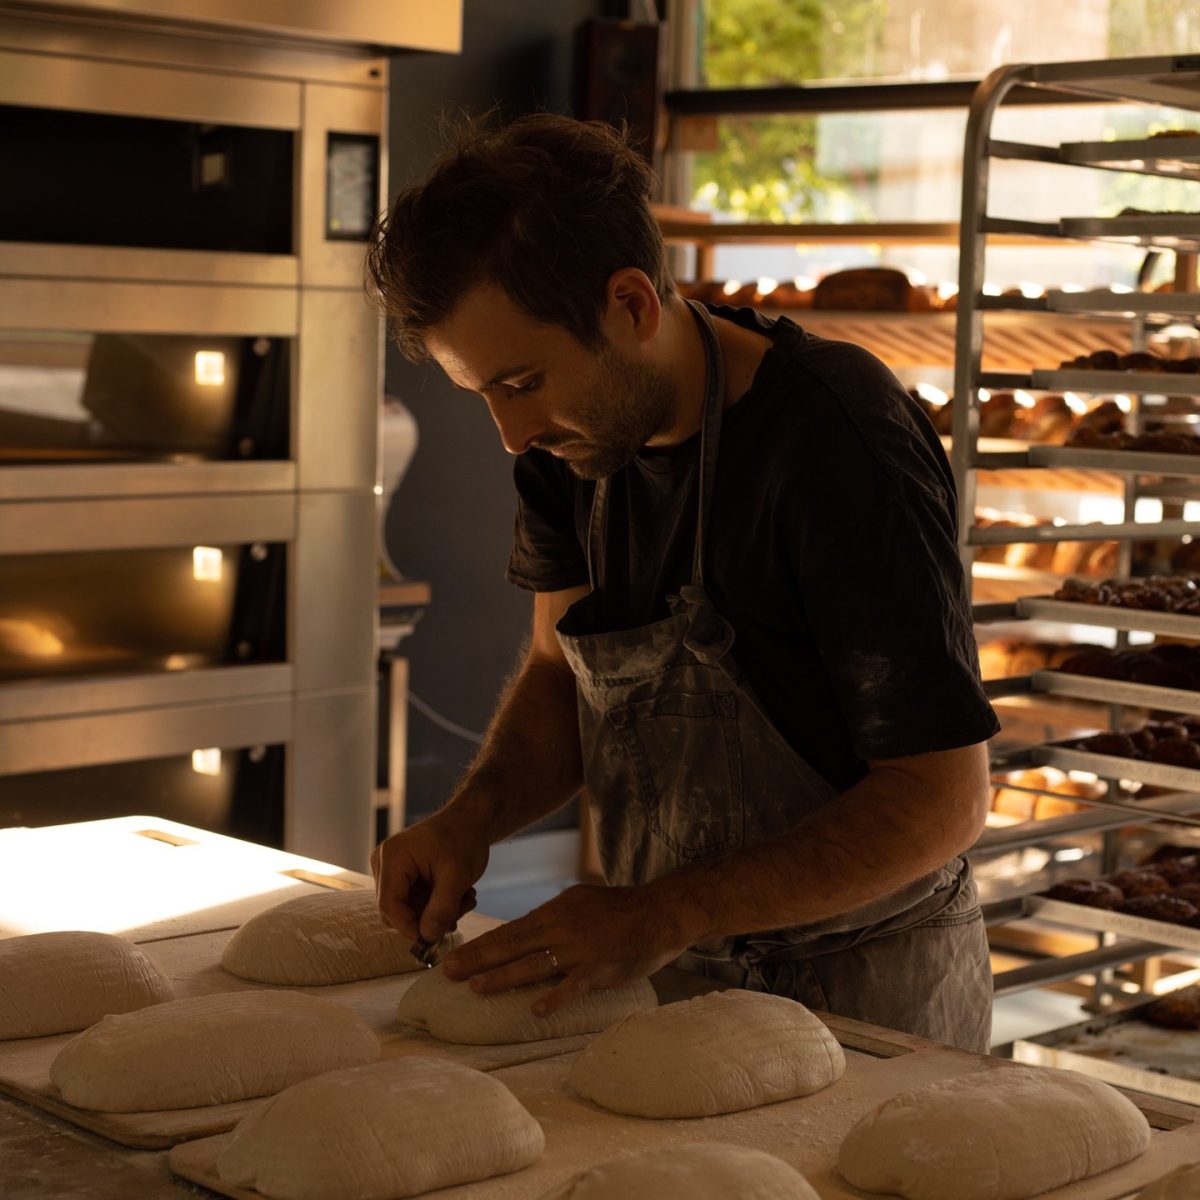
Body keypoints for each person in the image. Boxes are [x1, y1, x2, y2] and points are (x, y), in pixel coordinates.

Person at [365, 112, 999, 1051]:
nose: (510, 432)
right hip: (660, 976)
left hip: (863, 996)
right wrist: (471, 821)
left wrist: (659, 914)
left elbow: (941, 798)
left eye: (524, 380)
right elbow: (556, 674)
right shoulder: (568, 445)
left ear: (631, 303)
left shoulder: (834, 442)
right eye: (487, 392)